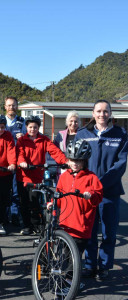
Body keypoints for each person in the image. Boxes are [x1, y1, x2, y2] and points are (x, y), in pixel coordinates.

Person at [75, 100, 128, 280]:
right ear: (93, 113)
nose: (102, 114)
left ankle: (104, 266)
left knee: (109, 232)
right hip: (87, 193)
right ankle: (89, 266)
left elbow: (120, 164)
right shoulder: (82, 134)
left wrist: (101, 183)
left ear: (110, 113)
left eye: (106, 111)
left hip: (109, 192)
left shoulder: (120, 134)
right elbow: (76, 161)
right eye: (99, 111)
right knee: (88, 231)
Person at [51, 139, 103, 256]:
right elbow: (58, 195)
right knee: (64, 255)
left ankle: (71, 274)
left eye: (79, 160)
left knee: (74, 258)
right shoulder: (64, 176)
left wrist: (90, 195)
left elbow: (98, 196)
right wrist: (52, 203)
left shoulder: (91, 177)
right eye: (72, 160)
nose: (75, 163)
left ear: (85, 161)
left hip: (81, 227)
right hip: (65, 225)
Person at [17, 115, 66, 235]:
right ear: (26, 128)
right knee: (24, 202)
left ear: (38, 128)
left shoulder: (44, 140)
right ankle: (27, 226)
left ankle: (37, 224)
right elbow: (19, 153)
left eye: (35, 127)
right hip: (23, 176)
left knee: (35, 202)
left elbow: (55, 151)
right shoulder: (22, 140)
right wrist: (22, 162)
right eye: (30, 127)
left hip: (37, 176)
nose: (32, 129)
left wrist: (65, 161)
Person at [4, 96, 26, 222]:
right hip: (4, 161)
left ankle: (15, 214)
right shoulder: (0, 121)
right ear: (5, 107)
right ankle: (4, 216)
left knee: (16, 189)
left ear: (17, 107)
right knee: (5, 189)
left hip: (18, 160)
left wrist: (23, 136)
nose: (11, 107)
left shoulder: (22, 122)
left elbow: (29, 138)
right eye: (9, 105)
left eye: (14, 105)